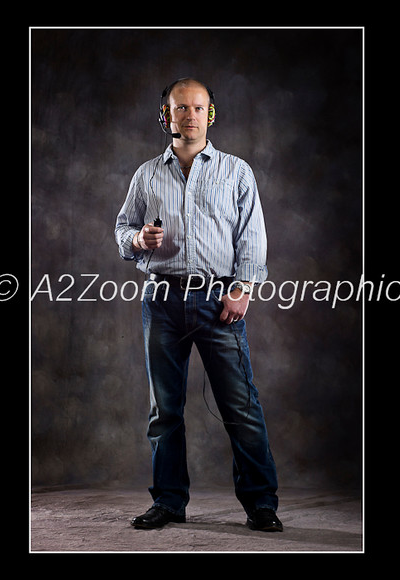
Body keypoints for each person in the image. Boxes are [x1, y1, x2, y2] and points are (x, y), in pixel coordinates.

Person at [114, 78, 282, 532]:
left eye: (197, 107)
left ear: (210, 114)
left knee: (241, 406)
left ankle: (261, 504)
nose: (189, 115)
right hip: (162, 300)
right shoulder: (147, 174)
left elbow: (252, 236)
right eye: (179, 107)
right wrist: (136, 239)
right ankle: (169, 503)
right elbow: (122, 229)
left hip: (219, 301)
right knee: (164, 411)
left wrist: (243, 288)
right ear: (164, 114)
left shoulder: (236, 172)